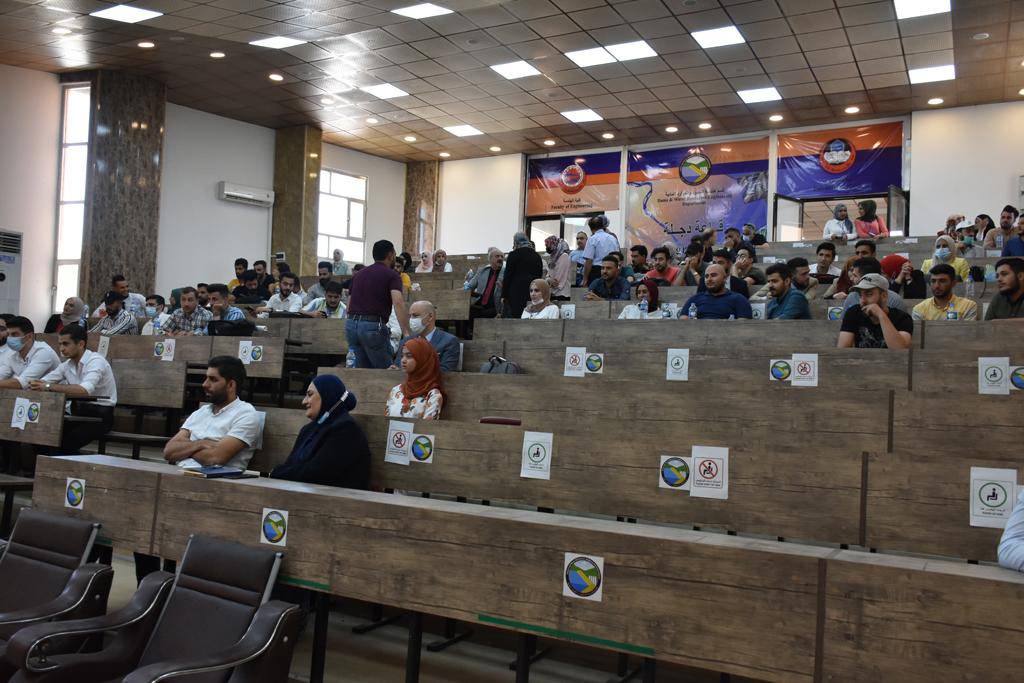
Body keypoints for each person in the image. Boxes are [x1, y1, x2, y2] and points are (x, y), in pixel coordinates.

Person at [29, 324, 117, 454]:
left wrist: (48, 386)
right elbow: (43, 381)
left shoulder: (95, 361)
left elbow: (84, 390)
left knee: (63, 444)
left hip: (100, 416)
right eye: (60, 344)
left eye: (66, 344)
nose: (61, 349)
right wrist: (35, 384)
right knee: (41, 436)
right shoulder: (67, 364)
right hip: (78, 413)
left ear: (81, 344)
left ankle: (69, 465)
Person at [270, 375, 369, 488]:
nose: (303, 401)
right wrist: (282, 472)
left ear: (327, 395)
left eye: (310, 394)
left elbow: (316, 474)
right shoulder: (307, 430)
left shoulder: (347, 429)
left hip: (335, 496)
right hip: (304, 492)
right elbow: (290, 465)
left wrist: (277, 471)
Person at [164, 356, 261, 469]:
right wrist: (201, 444)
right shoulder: (201, 412)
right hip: (181, 472)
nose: (205, 384)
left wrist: (185, 449)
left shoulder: (246, 415)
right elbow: (169, 451)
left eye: (213, 379)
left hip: (217, 478)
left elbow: (214, 458)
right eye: (206, 378)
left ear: (231, 385)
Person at [346, 240, 409, 368]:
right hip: (372, 327)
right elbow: (398, 302)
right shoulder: (392, 275)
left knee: (361, 372)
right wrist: (406, 332)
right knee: (385, 371)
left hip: (351, 325)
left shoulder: (358, 275)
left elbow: (348, 305)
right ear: (390, 255)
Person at [837, 274, 912, 349]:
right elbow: (843, 349)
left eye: (868, 294)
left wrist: (881, 315)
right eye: (860, 295)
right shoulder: (853, 312)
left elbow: (900, 350)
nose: (863, 301)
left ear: (884, 296)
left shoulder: (902, 318)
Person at [386, 337, 443, 420]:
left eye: (409, 356)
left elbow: (427, 427)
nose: (403, 360)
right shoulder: (396, 390)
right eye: (402, 356)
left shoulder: (433, 395)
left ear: (422, 359)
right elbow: (386, 421)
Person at [395, 300, 460, 370]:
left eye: (415, 316)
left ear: (430, 316)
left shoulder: (449, 341)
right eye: (410, 316)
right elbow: (398, 366)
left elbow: (446, 371)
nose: (411, 319)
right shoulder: (405, 341)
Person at [0, 317, 61, 389]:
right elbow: (1, 375)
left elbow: (22, 383)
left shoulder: (44, 352)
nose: (10, 338)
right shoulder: (14, 353)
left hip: (55, 394)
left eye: (14, 334)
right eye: (8, 334)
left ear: (29, 336)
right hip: (30, 394)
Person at [680, 264, 752, 319]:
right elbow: (683, 322)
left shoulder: (739, 299)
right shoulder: (695, 299)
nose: (709, 279)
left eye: (713, 275)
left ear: (725, 278)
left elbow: (743, 326)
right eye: (706, 276)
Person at [912, 263, 978, 321]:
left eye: (942, 281)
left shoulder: (968, 306)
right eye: (933, 281)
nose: (937, 286)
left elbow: (968, 330)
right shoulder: (919, 309)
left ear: (953, 283)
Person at [842, 257, 906, 312]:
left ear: (867, 277)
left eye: (855, 276)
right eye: (860, 296)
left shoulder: (895, 300)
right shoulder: (851, 297)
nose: (851, 279)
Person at [502, 232, 543, 317]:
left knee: (517, 316)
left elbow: (507, 275)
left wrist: (504, 295)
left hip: (516, 291)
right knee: (529, 315)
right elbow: (539, 275)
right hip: (532, 290)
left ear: (516, 242)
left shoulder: (513, 255)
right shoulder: (536, 256)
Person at [581, 215, 620, 285]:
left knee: (596, 290)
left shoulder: (592, 239)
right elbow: (618, 256)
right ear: (603, 226)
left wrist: (585, 279)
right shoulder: (613, 238)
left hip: (597, 271)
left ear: (591, 228)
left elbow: (589, 260)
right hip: (613, 269)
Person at [467, 248, 504, 321]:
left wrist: (503, 287)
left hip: (495, 307)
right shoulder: (482, 271)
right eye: (497, 256)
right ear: (490, 259)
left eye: (502, 257)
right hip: (479, 305)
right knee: (464, 313)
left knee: (484, 315)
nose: (500, 258)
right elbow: (470, 286)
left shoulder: (506, 273)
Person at [544, 236, 572, 300]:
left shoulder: (564, 256)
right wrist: (548, 279)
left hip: (562, 294)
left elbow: (557, 280)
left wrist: (549, 280)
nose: (547, 248)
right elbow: (548, 275)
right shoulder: (552, 257)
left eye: (548, 245)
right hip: (552, 292)